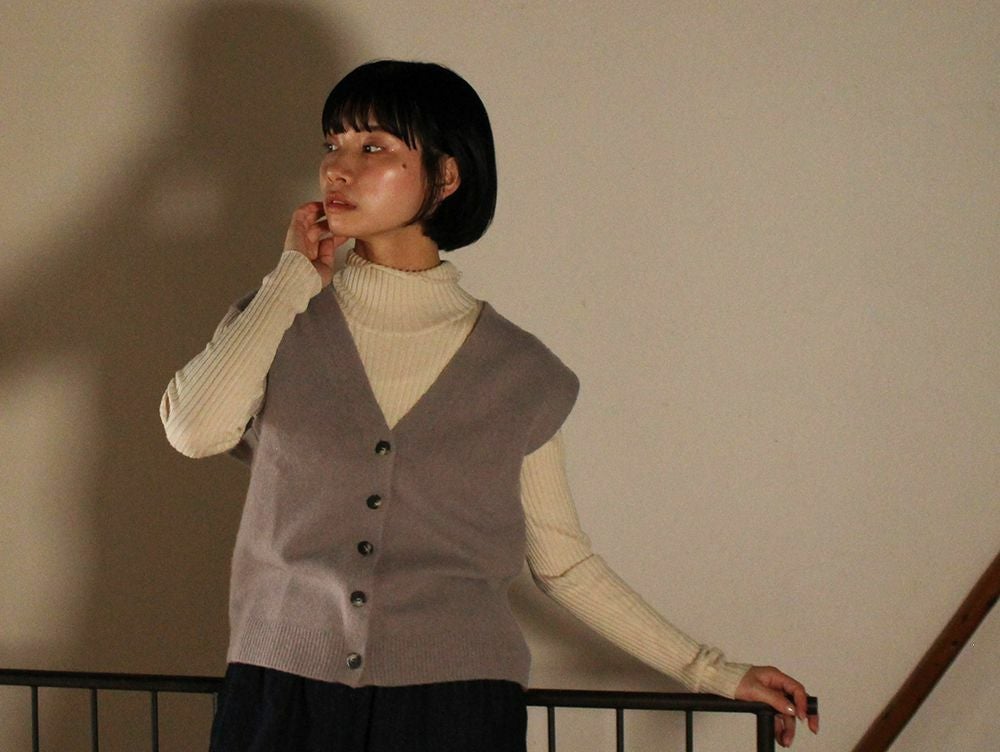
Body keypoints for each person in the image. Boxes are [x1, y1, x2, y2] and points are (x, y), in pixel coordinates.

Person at [161, 60, 819, 751]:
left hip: (456, 708)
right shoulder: (278, 322)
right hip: (281, 695)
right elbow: (193, 431)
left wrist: (715, 672)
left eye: (373, 147)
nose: (337, 168)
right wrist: (291, 277)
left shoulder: (519, 373)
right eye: (333, 144)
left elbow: (563, 563)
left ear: (446, 176)